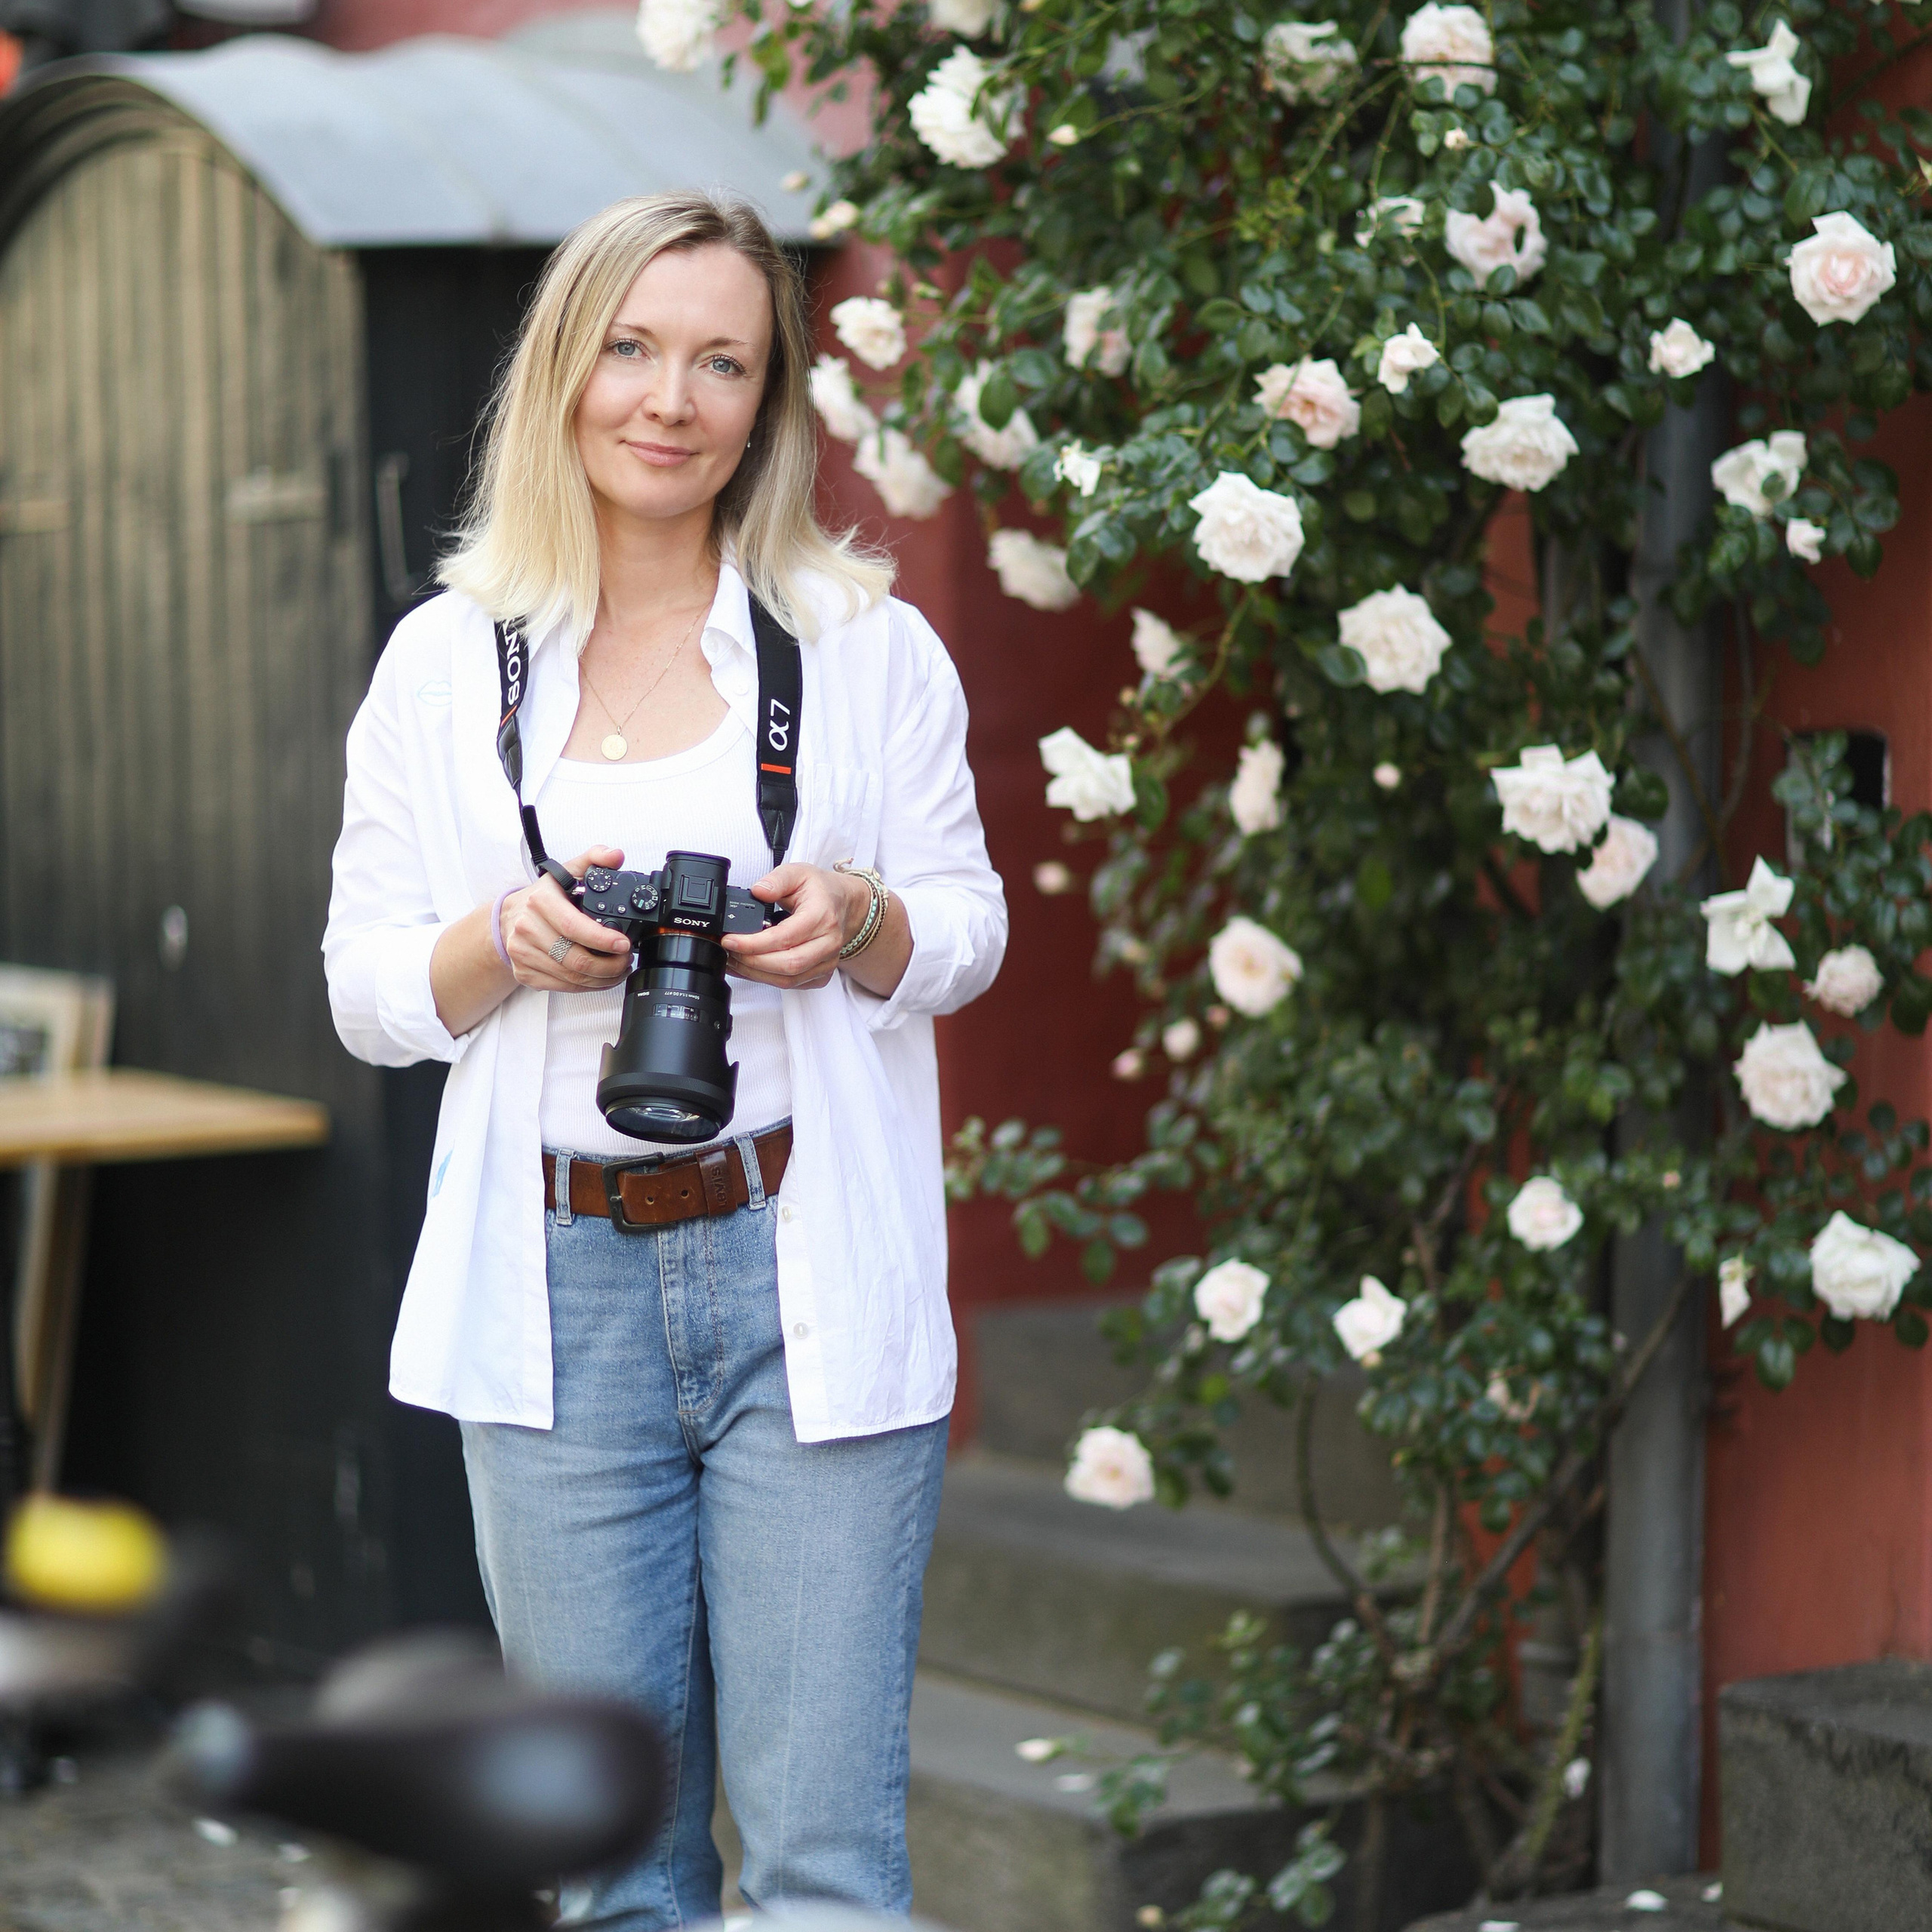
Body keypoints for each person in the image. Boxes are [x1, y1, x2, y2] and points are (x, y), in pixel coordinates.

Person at [321, 192, 1007, 1930]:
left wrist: (853, 919)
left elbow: (968, 929)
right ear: (561, 371)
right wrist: (509, 940)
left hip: (805, 1272)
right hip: (550, 1299)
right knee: (605, 1870)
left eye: (721, 361)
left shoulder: (862, 650)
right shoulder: (438, 664)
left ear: (768, 399)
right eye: (630, 348)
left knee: (824, 1873)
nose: (669, 399)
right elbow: (367, 988)